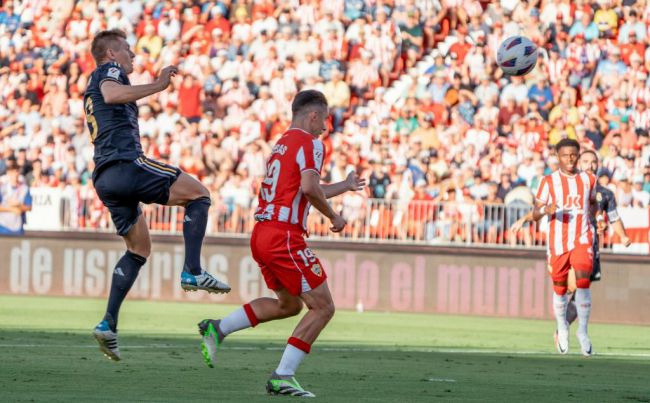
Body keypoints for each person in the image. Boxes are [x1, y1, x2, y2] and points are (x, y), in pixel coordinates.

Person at [197, 90, 366, 397]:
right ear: (312, 115)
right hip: (284, 236)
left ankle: (218, 328)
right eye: (325, 119)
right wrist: (334, 217)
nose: (326, 127)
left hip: (262, 233)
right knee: (324, 307)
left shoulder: (282, 144)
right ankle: (282, 375)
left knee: (289, 305)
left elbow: (304, 189)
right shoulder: (312, 144)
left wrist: (345, 186)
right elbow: (310, 188)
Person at [84, 29, 230, 361]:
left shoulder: (98, 81)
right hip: (125, 163)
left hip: (105, 176)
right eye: (127, 50)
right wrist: (159, 85)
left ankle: (108, 323)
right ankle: (193, 268)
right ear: (111, 54)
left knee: (139, 248)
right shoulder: (109, 73)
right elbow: (110, 94)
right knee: (199, 194)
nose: (132, 55)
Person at [510, 139, 601, 356]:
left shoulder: (589, 179)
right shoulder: (548, 182)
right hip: (558, 242)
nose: (569, 159)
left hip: (582, 237)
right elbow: (535, 212)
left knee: (582, 282)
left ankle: (583, 332)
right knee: (560, 289)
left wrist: (595, 217)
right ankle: (562, 327)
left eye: (573, 155)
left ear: (578, 156)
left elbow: (593, 204)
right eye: (564, 155)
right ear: (557, 157)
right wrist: (546, 210)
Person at [0, 160, 32, 235]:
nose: (15, 174)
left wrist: (19, 205)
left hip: (17, 226)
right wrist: (11, 209)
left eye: (16, 171)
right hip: (3, 225)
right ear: (8, 173)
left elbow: (29, 207)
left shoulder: (24, 189)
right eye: (12, 172)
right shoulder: (2, 188)